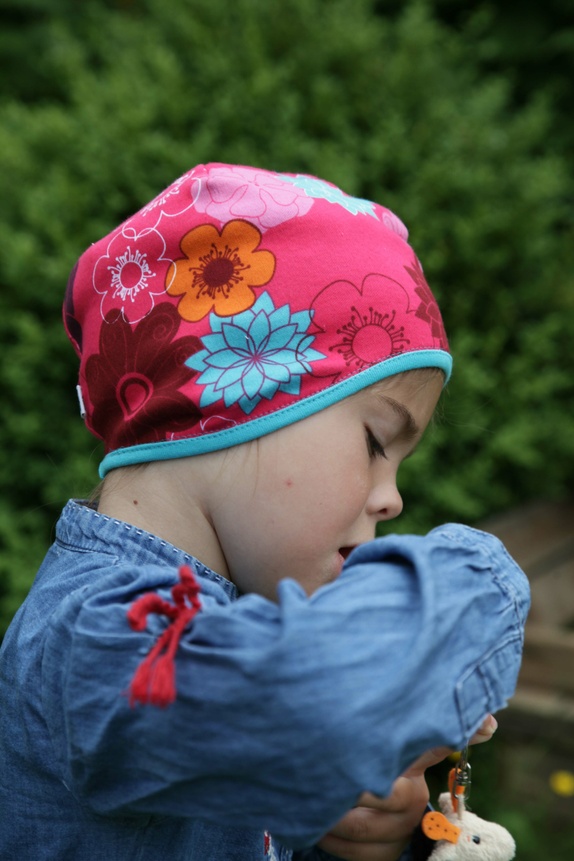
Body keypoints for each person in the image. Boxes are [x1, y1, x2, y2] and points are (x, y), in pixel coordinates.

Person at [0, 163, 529, 861]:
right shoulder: (94, 635)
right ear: (234, 402)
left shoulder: (229, 623)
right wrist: (483, 583)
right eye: (376, 442)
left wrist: (344, 831)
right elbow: (281, 702)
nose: (392, 498)